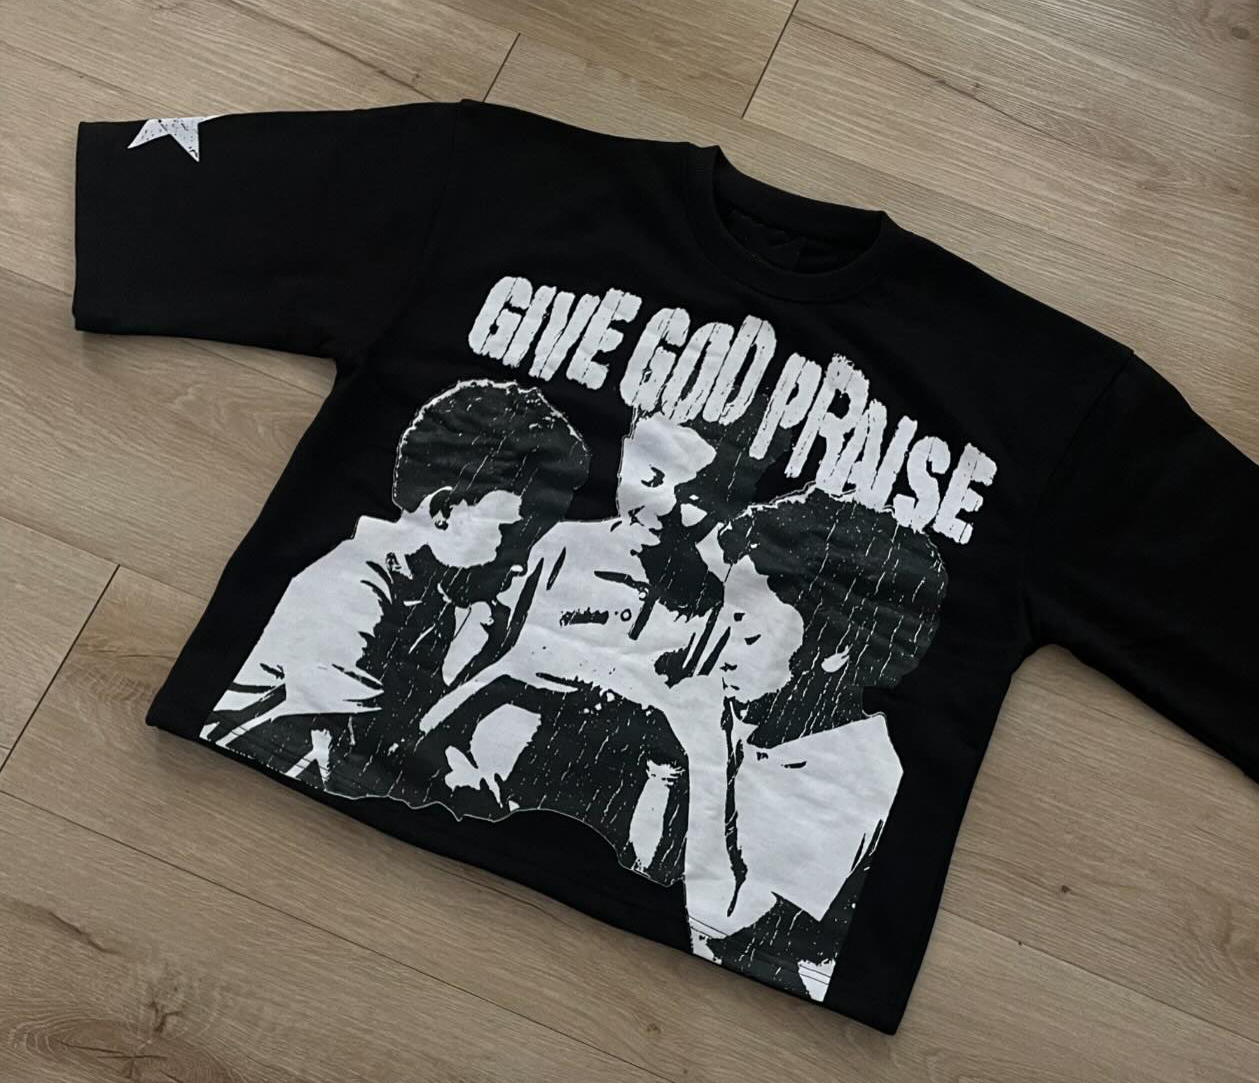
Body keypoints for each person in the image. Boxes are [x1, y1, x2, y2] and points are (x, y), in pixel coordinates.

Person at [202, 379, 589, 803]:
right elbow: (359, 749)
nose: (521, 562)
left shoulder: (435, 603)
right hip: (245, 785)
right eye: (514, 536)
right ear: (444, 511)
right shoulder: (353, 586)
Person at [415, 406, 761, 879]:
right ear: (626, 458)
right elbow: (472, 657)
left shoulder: (717, 605)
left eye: (694, 496)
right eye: (652, 478)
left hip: (619, 814)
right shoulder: (555, 546)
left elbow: (699, 732)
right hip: (484, 787)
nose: (664, 506)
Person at [684, 487, 948, 1001]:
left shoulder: (855, 777)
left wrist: (703, 752)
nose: (723, 652)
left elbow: (720, 924)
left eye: (750, 634)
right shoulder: (759, 728)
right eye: (727, 618)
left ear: (836, 650)